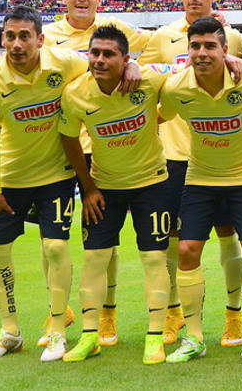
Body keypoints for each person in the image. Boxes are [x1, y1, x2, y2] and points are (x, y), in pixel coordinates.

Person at [159, 17, 242, 367]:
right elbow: (157, 114)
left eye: (210, 46)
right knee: (187, 250)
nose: (202, 53)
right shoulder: (176, 88)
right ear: (188, 50)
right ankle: (194, 338)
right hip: (200, 178)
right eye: (195, 46)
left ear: (225, 50)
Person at [38, 0, 152, 348]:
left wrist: (134, 63)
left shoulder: (115, 29)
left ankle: (107, 313)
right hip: (58, 143)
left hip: (101, 144)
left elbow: (159, 44)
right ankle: (58, 311)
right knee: (50, 237)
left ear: (99, 0)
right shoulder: (48, 35)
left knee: (102, 236)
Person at [137, 0, 242, 346]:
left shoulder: (234, 37)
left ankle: (234, 314)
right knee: (172, 239)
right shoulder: (161, 38)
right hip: (173, 155)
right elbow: (143, 82)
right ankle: (174, 314)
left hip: (221, 155)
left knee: (228, 233)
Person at [0, 5, 88, 362]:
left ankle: (57, 330)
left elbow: (101, 69)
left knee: (55, 246)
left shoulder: (65, 62)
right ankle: (10, 332)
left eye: (25, 36)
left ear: (41, 39)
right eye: (10, 36)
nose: (17, 44)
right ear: (2, 39)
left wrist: (130, 66)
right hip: (12, 177)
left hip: (57, 174)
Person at [58, 25, 170, 364]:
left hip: (151, 183)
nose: (100, 60)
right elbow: (69, 138)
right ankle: (89, 336)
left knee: (154, 258)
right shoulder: (75, 93)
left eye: (109, 54)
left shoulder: (148, 80)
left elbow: (181, 67)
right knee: (95, 258)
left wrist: (137, 67)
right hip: (104, 187)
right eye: (95, 53)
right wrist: (88, 188)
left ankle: (155, 336)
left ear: (125, 58)